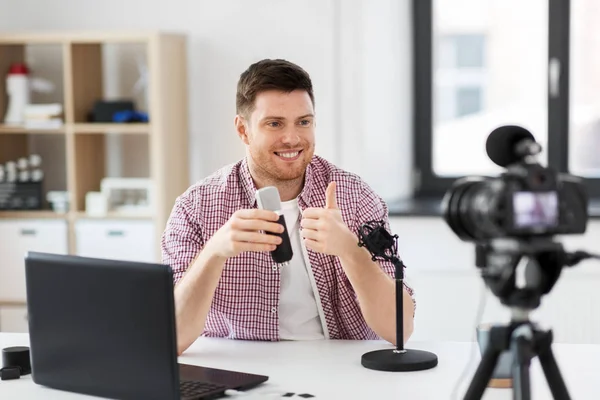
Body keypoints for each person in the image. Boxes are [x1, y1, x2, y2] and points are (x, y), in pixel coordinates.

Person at [161, 59, 416, 355]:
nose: (292, 138)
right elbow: (173, 338)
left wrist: (351, 251)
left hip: (342, 368)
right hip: (240, 367)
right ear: (243, 130)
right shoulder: (196, 206)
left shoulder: (355, 195)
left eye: (303, 122)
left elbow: (400, 330)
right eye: (274, 123)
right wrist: (214, 252)